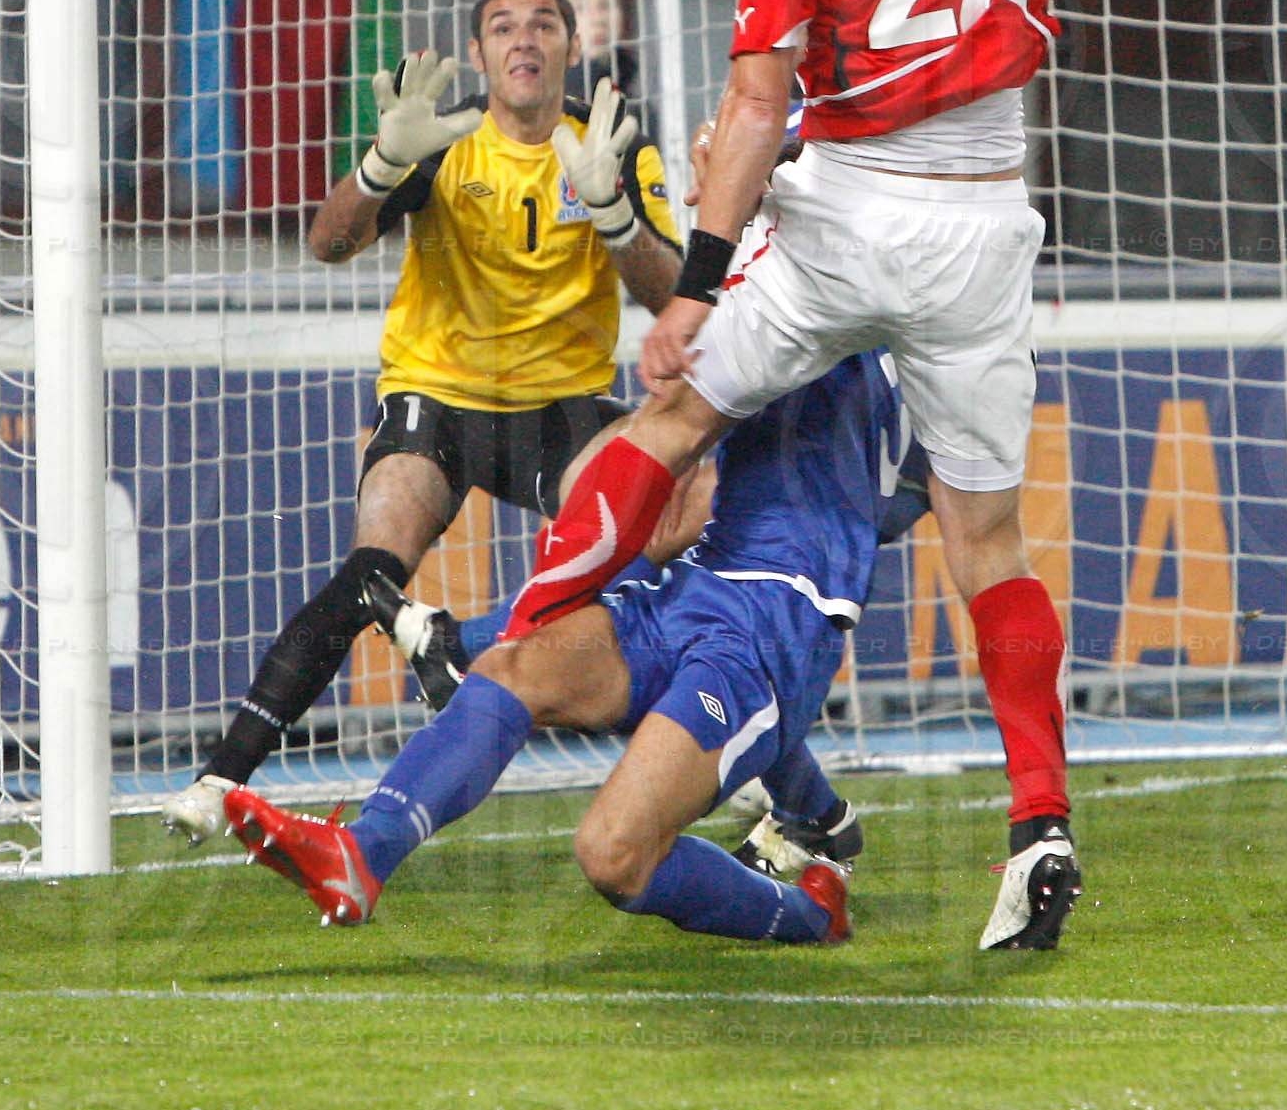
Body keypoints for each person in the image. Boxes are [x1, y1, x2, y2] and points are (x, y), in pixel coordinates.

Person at [476, 0, 1094, 952]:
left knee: (674, 418)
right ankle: (1040, 823)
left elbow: (759, 106)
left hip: (855, 215)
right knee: (990, 543)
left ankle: (513, 648)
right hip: (988, 222)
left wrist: (696, 284)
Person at [157, 0, 685, 844]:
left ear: (571, 47)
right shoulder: (442, 140)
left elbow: (672, 299)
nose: (524, 40)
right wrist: (379, 165)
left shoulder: (615, 142)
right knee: (369, 568)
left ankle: (725, 755)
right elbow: (327, 244)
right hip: (435, 395)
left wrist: (616, 216)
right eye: (503, 27)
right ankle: (219, 780)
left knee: (682, 521)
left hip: (559, 409)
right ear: (478, 55)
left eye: (543, 25)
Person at [225, 344, 924, 944]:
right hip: (700, 586)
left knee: (613, 855)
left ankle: (810, 914)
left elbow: (668, 455)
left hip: (780, 626)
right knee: (516, 667)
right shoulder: (848, 323)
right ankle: (362, 854)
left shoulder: (818, 307)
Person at [560, 0, 643, 111]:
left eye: (606, 5)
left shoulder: (637, 105)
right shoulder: (546, 102)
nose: (598, 19)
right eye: (580, 7)